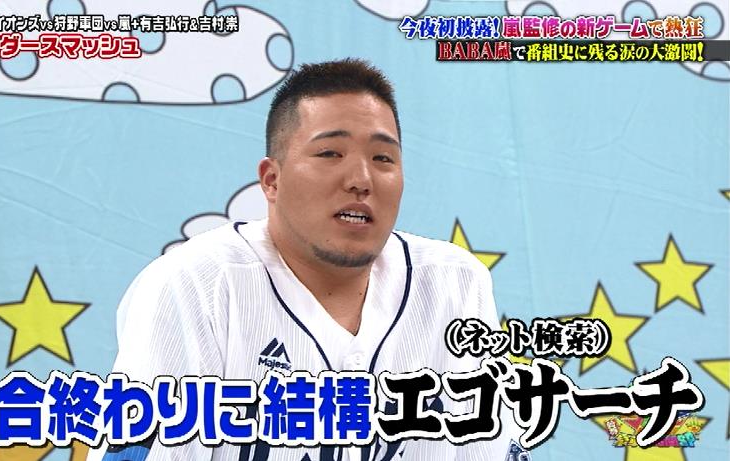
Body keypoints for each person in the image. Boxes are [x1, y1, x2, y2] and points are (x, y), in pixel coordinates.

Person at [91, 58, 523, 461]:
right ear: (272, 180)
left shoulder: (455, 283)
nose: (361, 180)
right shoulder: (195, 284)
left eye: (383, 158)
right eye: (330, 153)